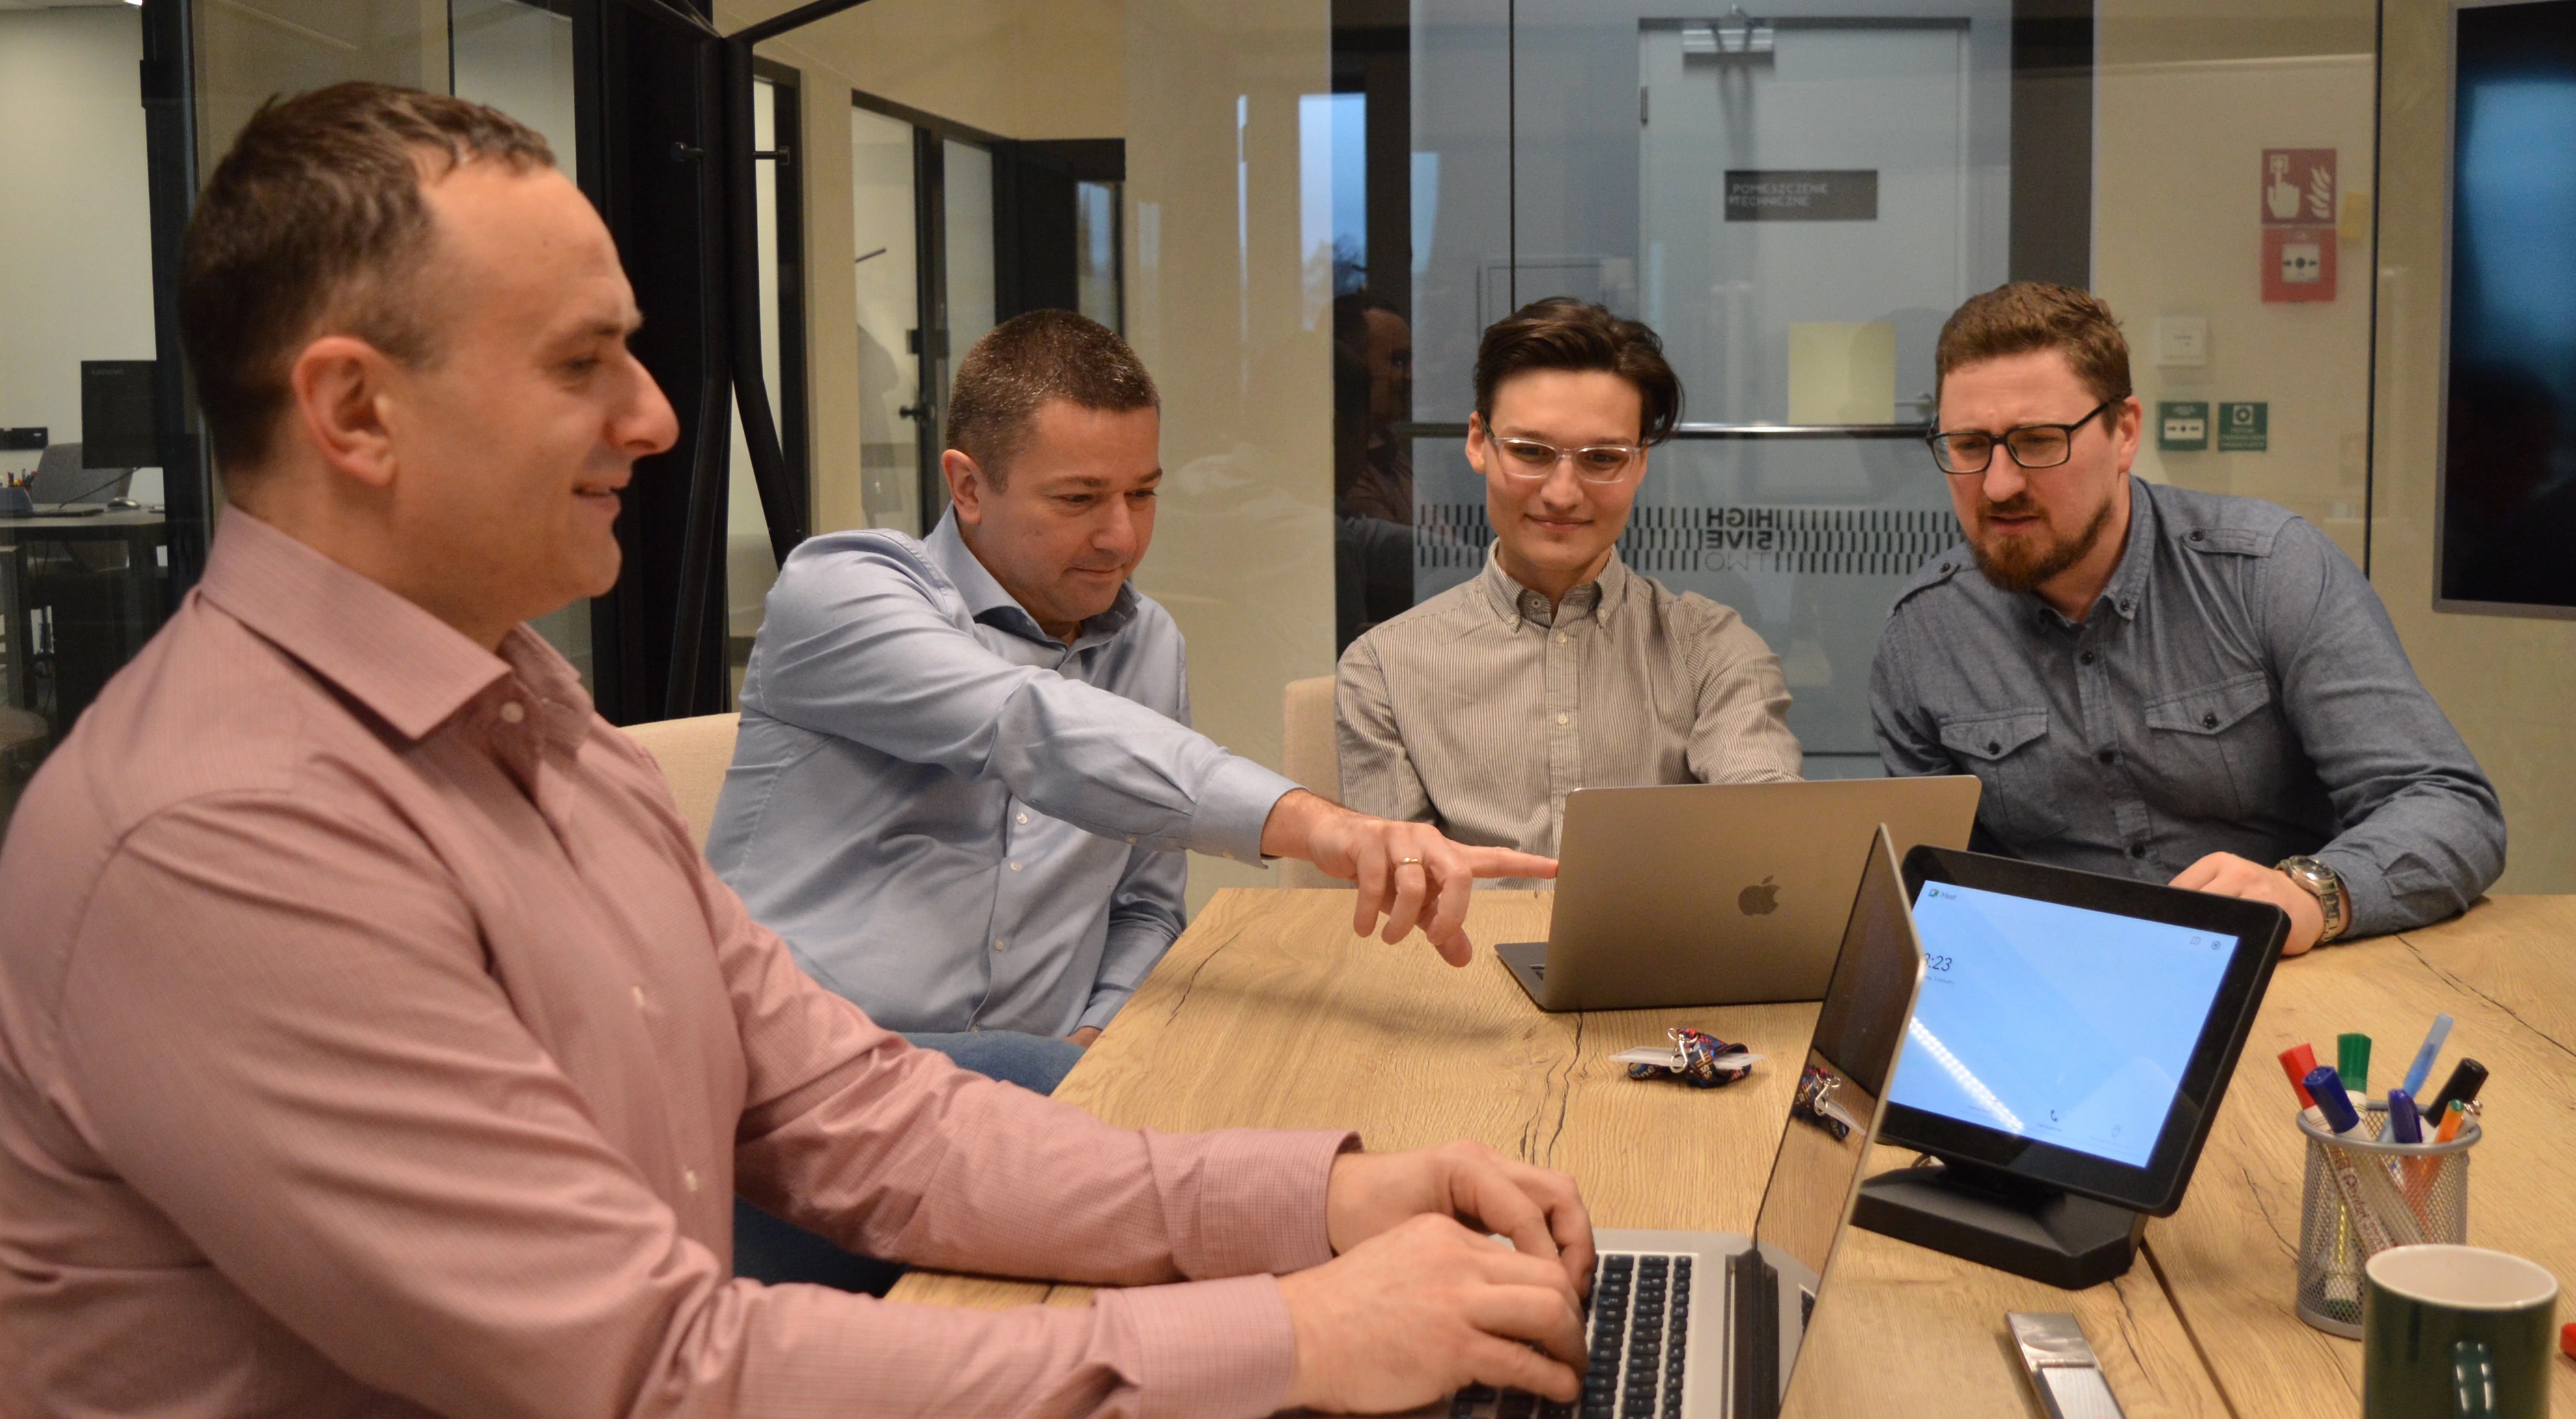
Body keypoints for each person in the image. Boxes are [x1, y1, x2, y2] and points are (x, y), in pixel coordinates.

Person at [0, 83, 1598, 1416]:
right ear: (354, 414)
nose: (656, 416)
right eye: (582, 363)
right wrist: (1296, 1333)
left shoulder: (536, 725)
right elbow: (656, 1373)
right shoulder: (225, 831)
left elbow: (869, 1115)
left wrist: (1322, 1202)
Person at [709, 309, 1553, 1104]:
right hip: (806, 1086)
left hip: (1038, 1092)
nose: (1121, 536)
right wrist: (1322, 826)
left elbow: (1144, 905)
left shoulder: (1147, 642)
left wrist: (1096, 1032)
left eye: (1141, 493)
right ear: (967, 486)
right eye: (1077, 500)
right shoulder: (842, 590)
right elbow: (1028, 725)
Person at [1870, 281, 2506, 954]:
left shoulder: (2265, 572)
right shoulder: (1924, 635)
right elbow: (1936, 887)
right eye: (1969, 446)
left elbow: (2447, 805)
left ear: (2124, 433)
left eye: (2037, 440)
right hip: (2058, 995)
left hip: (2279, 979)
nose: (1997, 484)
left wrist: (2311, 895)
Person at [1335, 298, 1803, 859]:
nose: (1561, 492)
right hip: (1461, 948)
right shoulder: (1383, 668)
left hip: (1653, 948)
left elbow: (1771, 844)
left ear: (1640, 462)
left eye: (1601, 459)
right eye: (1531, 451)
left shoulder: (1713, 652)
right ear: (1479, 442)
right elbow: (1399, 894)